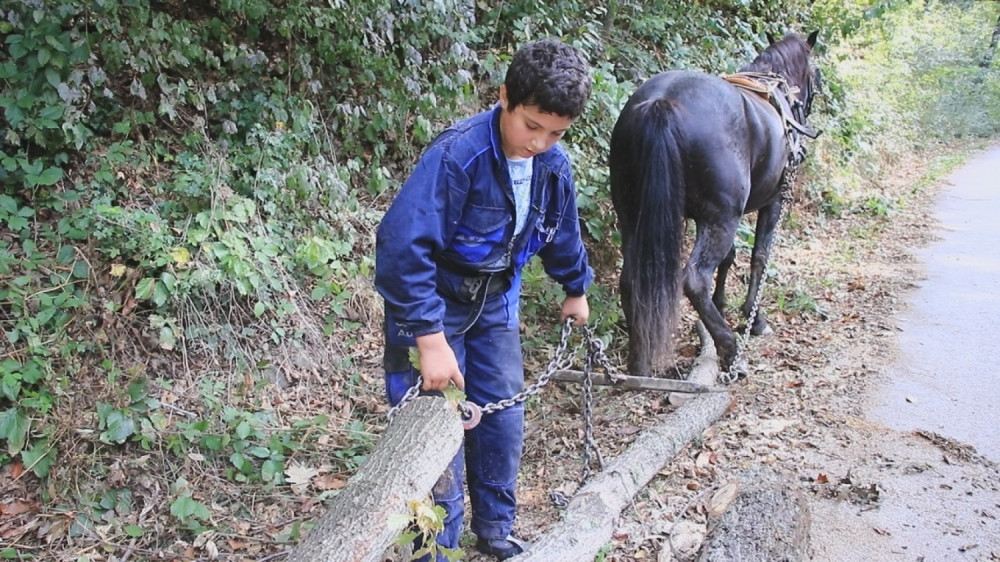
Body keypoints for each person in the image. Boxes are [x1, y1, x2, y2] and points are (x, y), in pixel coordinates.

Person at [374, 38, 594, 560]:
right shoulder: (459, 156)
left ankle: (494, 530)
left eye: (556, 133)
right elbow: (401, 247)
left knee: (501, 416)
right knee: (434, 428)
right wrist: (429, 340)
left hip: (495, 302)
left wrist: (575, 287)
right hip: (434, 304)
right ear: (504, 99)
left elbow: (561, 231)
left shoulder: (552, 166)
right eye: (531, 126)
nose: (539, 142)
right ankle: (435, 549)